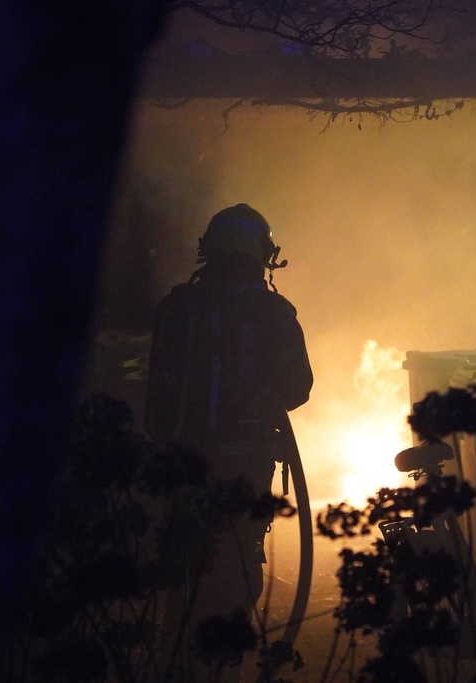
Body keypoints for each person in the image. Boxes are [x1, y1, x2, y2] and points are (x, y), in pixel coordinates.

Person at [144, 203, 313, 678]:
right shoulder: (272, 313)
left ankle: (173, 667)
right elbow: (298, 386)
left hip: (180, 466)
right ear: (260, 254)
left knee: (183, 576)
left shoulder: (177, 309)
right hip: (242, 470)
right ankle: (219, 671)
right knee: (233, 578)